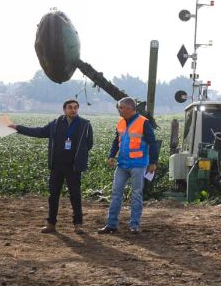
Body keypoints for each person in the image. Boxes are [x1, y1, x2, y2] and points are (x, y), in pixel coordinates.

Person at [10, 99, 94, 234]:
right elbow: (39, 132)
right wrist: (17, 127)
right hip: (57, 166)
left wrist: (78, 157)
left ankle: (78, 224)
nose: (73, 110)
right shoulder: (55, 124)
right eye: (70, 107)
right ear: (64, 110)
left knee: (75, 196)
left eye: (75, 107)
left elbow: (89, 144)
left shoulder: (84, 124)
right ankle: (51, 224)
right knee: (53, 195)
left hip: (73, 167)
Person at [99, 97, 158, 235]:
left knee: (136, 194)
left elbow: (153, 144)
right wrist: (111, 155)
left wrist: (153, 162)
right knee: (115, 194)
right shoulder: (120, 123)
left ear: (129, 108)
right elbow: (116, 141)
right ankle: (111, 224)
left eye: (121, 107)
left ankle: (134, 225)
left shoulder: (144, 123)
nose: (119, 110)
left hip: (138, 164)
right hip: (122, 164)